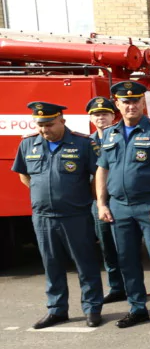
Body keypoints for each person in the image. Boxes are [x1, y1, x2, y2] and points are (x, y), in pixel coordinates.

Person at [95, 80, 150, 329]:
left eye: (135, 101)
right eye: (126, 101)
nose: (131, 105)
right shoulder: (110, 133)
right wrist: (102, 203)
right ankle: (137, 308)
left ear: (143, 102)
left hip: (149, 205)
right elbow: (102, 170)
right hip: (119, 206)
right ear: (117, 104)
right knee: (127, 259)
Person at [12, 102, 104, 328]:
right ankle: (57, 310)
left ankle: (92, 308)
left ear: (62, 121)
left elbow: (100, 174)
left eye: (50, 124)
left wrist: (89, 199)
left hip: (76, 215)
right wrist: (41, 194)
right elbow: (24, 174)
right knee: (51, 265)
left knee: (85, 264)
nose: (45, 130)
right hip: (43, 217)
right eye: (41, 125)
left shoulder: (83, 143)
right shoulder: (27, 144)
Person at [86, 97, 126, 304]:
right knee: (107, 246)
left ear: (113, 115)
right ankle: (116, 287)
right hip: (99, 202)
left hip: (122, 198)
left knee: (126, 246)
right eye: (96, 114)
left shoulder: (121, 137)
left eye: (104, 113)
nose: (100, 117)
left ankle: (132, 285)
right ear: (91, 118)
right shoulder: (86, 143)